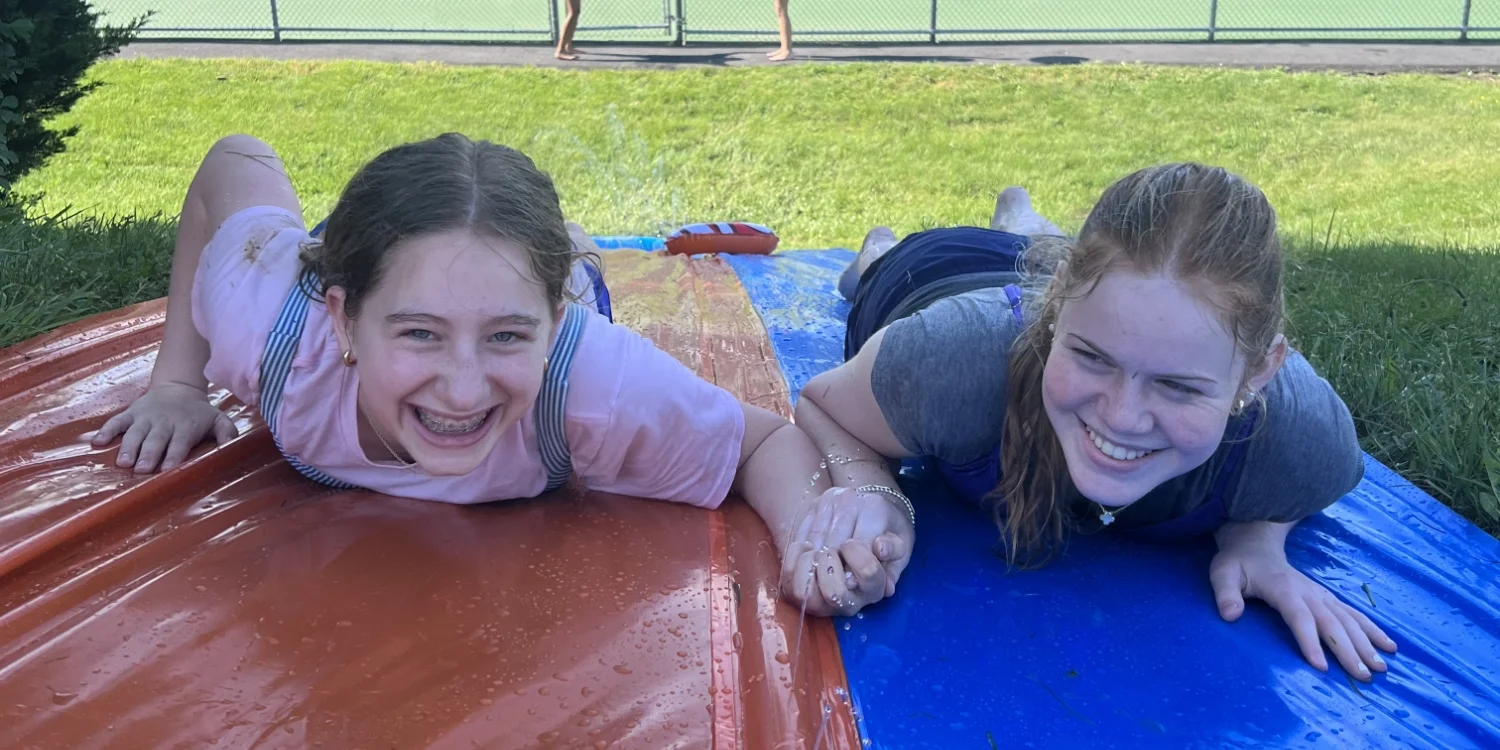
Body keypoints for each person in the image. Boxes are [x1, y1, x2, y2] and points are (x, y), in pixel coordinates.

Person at [90, 132, 835, 580]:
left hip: (558, 289)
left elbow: (764, 441)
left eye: (508, 336)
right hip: (348, 263)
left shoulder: (591, 382)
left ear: (548, 326)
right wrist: (178, 380)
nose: (462, 390)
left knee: (555, 268)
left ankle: (568, 256)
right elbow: (234, 159)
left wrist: (819, 536)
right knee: (446, 278)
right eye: (420, 334)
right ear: (343, 321)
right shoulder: (264, 314)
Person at [782, 164, 1399, 681]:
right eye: (1091, 358)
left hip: (1064, 281)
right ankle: (887, 249)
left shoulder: (1300, 437)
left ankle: (1024, 224)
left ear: (1258, 375)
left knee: (1053, 261)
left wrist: (1257, 536)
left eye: (1179, 386)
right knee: (868, 271)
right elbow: (822, 403)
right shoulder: (951, 363)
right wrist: (874, 488)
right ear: (1056, 314)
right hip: (932, 274)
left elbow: (1299, 486)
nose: (1122, 417)